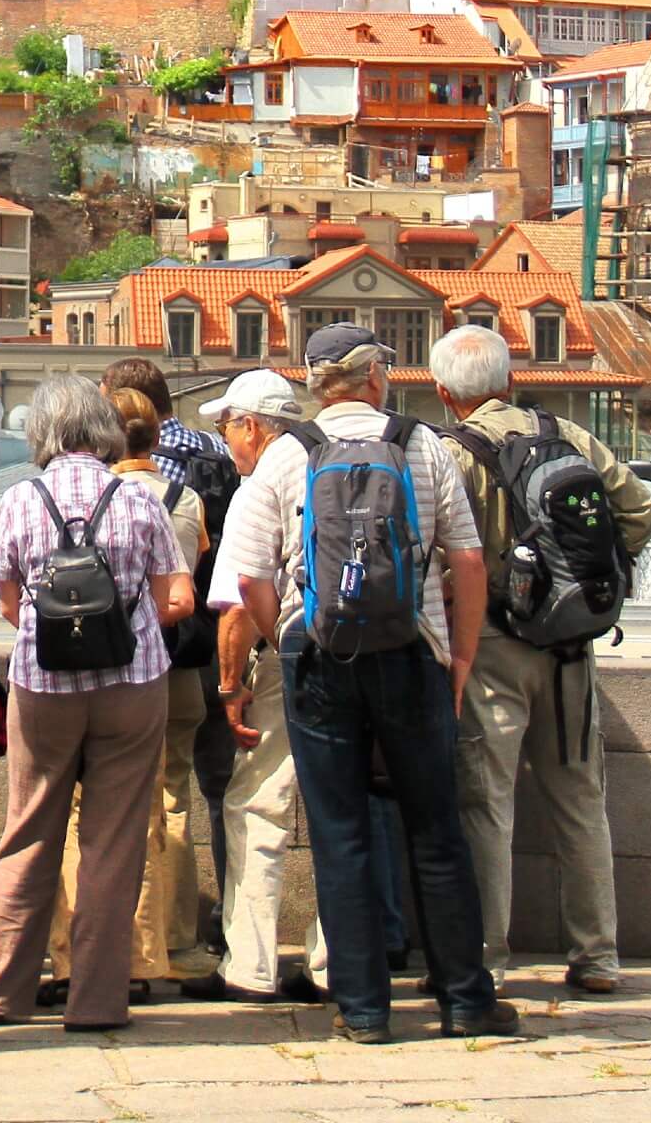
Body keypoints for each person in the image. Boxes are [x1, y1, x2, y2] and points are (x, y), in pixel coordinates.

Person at [211, 325, 516, 1045]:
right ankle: (466, 1001)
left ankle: (364, 1009)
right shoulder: (424, 446)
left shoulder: (287, 454)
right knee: (436, 830)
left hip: (321, 661)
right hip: (414, 654)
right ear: (378, 375)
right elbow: (467, 562)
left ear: (315, 382)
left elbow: (251, 575)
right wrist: (461, 658)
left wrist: (289, 640)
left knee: (340, 834)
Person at [431, 325, 651, 997]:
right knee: (581, 801)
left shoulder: (451, 451)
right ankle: (597, 956)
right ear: (509, 381)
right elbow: (642, 512)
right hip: (569, 650)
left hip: (494, 647)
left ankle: (488, 961)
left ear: (445, 394)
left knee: (487, 805)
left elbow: (445, 555)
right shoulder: (569, 437)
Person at [0, 377, 191, 1032]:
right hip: (132, 682)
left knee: (29, 832)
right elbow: (170, 590)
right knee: (114, 844)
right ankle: (96, 1000)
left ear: (42, 430)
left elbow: (7, 599)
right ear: (105, 429)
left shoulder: (19, 498)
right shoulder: (138, 498)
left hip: (45, 686)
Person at [41, 384, 208, 1005]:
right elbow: (183, 596)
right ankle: (152, 949)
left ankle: (68, 957)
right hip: (148, 676)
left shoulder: (39, 496)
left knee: (66, 820)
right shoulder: (171, 499)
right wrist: (129, 623)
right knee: (153, 813)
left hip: (54, 680)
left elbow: (5, 594)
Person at [176, 370, 327, 1006]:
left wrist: (232, 685)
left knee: (254, 804)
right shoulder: (335, 455)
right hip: (372, 658)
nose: (226, 441)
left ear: (253, 428)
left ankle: (252, 966)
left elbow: (237, 599)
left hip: (293, 658)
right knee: (339, 813)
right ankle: (334, 964)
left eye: (227, 427)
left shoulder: (261, 480)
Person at [104, 355, 237, 945]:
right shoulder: (209, 465)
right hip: (195, 653)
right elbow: (213, 558)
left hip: (114, 664)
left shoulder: (98, 491)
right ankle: (184, 934)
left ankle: (119, 938)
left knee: (105, 806)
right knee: (189, 793)